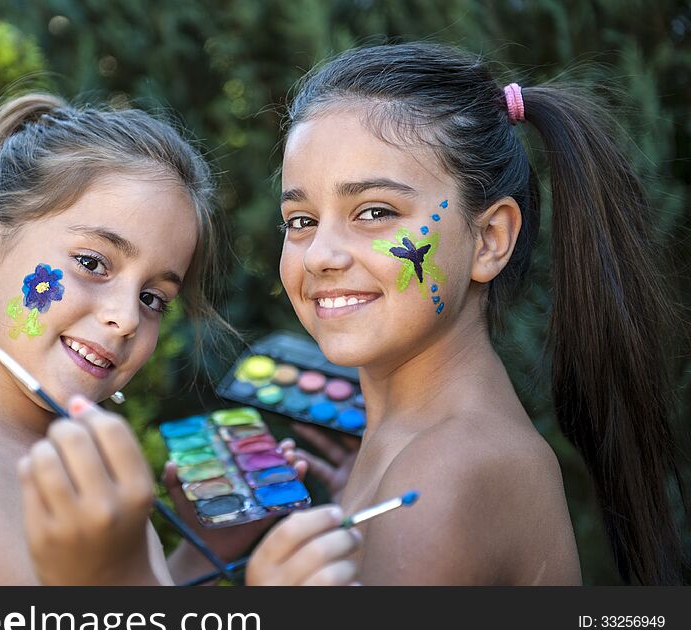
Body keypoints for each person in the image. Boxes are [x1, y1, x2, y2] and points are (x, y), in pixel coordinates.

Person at [0, 93, 361, 586]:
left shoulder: (63, 458)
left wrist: (202, 554)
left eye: (153, 297)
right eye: (92, 264)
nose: (126, 318)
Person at [276, 42, 688, 585]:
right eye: (300, 219)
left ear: (490, 240)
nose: (322, 255)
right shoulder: (421, 455)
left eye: (375, 212)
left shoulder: (440, 477)